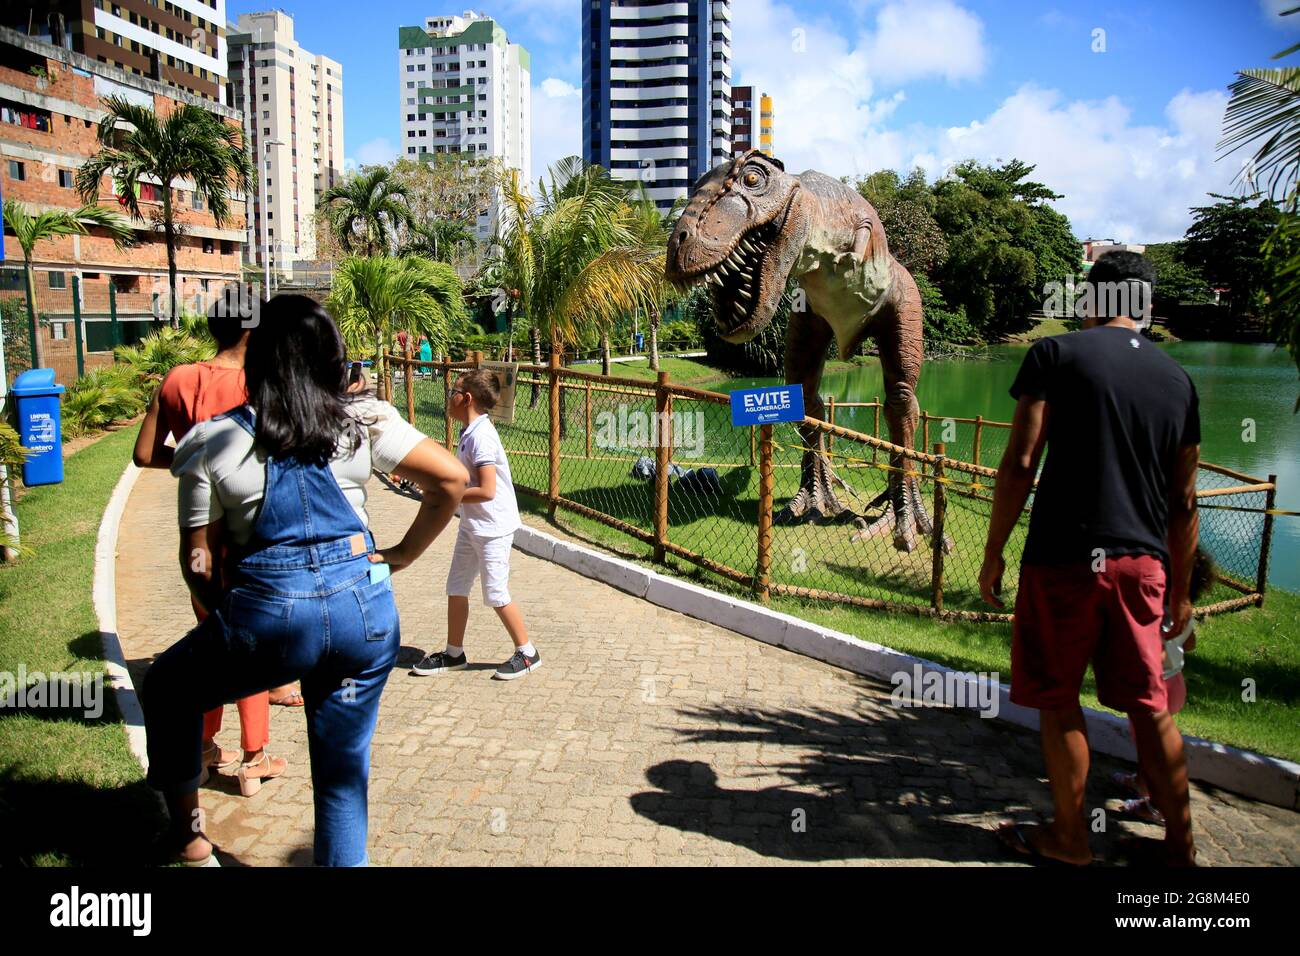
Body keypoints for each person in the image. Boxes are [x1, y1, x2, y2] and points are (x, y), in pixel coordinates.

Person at [141, 294, 468, 866]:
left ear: (258, 359)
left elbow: (198, 561)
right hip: (363, 619)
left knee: (168, 687)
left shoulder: (211, 441)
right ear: (331, 359)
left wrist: (230, 617)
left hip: (270, 619)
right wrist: (399, 557)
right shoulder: (364, 421)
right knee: (342, 779)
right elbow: (452, 480)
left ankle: (190, 839)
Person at [979, 250, 1201, 867]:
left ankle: (1069, 840)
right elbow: (1184, 502)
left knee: (1057, 698)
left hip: (1063, 559)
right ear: (1147, 309)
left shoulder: (1055, 356)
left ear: (1091, 301)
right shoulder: (1178, 381)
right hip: (1145, 565)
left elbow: (1022, 464)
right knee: (1149, 706)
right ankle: (1182, 850)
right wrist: (1180, 590)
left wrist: (994, 553)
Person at [133, 297, 285, 791]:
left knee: (212, 638)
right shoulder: (257, 385)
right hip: (252, 534)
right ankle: (254, 756)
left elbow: (144, 453)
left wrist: (192, 462)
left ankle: (202, 746)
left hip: (199, 534)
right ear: (251, 333)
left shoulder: (177, 379)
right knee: (250, 642)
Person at [411, 368, 539, 681]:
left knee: (495, 592)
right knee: (456, 586)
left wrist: (444, 498)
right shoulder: (470, 433)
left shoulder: (482, 437)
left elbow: (486, 490)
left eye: (452, 392)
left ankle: (528, 652)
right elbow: (459, 478)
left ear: (466, 398)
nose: (448, 398)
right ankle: (454, 653)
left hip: (493, 527)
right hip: (473, 525)